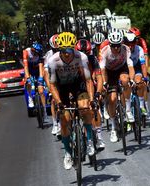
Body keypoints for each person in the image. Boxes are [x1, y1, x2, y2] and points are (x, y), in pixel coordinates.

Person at [47, 32, 96, 170]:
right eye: (63, 50)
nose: (67, 53)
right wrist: (59, 103)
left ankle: (90, 141)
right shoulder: (53, 61)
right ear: (59, 50)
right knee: (64, 119)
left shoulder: (82, 57)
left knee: (85, 108)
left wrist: (91, 99)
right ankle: (67, 153)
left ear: (73, 48)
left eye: (69, 50)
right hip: (61, 87)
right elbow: (52, 85)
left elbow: (88, 80)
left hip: (77, 84)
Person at [99, 29, 135, 143]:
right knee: (113, 99)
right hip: (109, 73)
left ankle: (128, 111)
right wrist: (105, 83)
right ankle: (114, 127)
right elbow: (103, 70)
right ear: (110, 44)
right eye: (113, 46)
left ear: (121, 44)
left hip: (121, 69)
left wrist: (132, 79)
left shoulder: (126, 49)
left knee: (126, 80)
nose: (116, 48)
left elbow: (130, 67)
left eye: (118, 45)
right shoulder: (104, 51)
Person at [75, 38, 105, 149]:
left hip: (90, 84)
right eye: (81, 53)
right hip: (77, 85)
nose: (84, 56)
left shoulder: (93, 59)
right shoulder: (73, 60)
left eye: (86, 53)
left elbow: (99, 77)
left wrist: (98, 92)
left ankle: (99, 136)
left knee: (94, 108)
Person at [124, 31, 149, 130]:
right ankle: (126, 111)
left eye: (132, 44)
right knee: (125, 85)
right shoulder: (122, 50)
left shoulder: (139, 49)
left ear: (135, 43)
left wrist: (145, 77)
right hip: (125, 69)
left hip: (136, 67)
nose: (130, 46)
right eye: (128, 44)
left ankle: (142, 106)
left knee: (140, 82)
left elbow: (143, 65)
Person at [129, 27, 150, 120]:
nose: (137, 40)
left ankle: (144, 106)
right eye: (135, 37)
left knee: (143, 83)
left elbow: (145, 59)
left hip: (138, 64)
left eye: (138, 38)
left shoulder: (141, 43)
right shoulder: (125, 45)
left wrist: (145, 73)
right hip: (128, 66)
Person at [23, 42, 48, 122]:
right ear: (33, 51)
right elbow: (26, 66)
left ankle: (44, 110)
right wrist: (28, 78)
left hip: (37, 70)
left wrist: (41, 78)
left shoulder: (40, 54)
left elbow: (41, 67)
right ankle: (30, 97)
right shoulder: (26, 52)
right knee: (28, 82)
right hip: (29, 70)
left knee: (41, 90)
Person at [43, 34, 61, 135]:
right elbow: (46, 73)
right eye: (54, 50)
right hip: (52, 77)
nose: (56, 52)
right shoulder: (49, 55)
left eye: (58, 49)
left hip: (63, 76)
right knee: (54, 100)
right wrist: (50, 88)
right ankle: (55, 123)